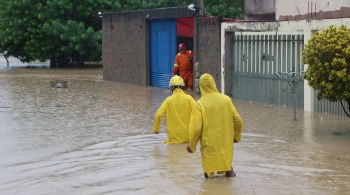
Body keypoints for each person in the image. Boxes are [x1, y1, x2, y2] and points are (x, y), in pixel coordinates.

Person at [186, 73, 244, 178]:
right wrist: (236, 137)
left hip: (209, 149)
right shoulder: (226, 100)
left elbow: (196, 129)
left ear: (201, 87)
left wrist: (192, 146)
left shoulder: (199, 104)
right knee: (228, 173)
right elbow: (238, 120)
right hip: (226, 147)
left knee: (209, 182)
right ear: (214, 84)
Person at [152, 75, 196, 144]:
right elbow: (199, 112)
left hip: (173, 140)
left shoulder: (168, 100)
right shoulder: (189, 99)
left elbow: (158, 114)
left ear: (171, 88)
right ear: (182, 86)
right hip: (189, 138)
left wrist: (156, 130)